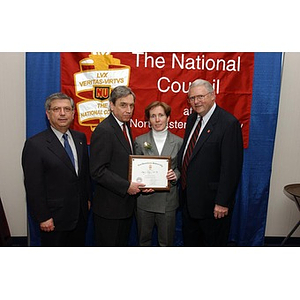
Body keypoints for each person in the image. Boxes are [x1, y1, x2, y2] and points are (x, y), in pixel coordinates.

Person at [178, 79, 243, 246]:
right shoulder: (192, 120)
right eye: (192, 98)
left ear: (213, 96)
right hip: (189, 202)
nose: (196, 101)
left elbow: (231, 168)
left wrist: (222, 202)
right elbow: (189, 156)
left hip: (212, 206)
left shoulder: (229, 124)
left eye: (200, 96)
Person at [22, 92, 90, 246]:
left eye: (67, 109)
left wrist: (87, 199)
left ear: (73, 113)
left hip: (80, 216)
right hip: (53, 219)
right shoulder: (35, 145)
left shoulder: (80, 138)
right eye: (56, 109)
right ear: (48, 114)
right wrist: (43, 217)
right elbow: (34, 186)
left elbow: (83, 174)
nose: (62, 113)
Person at [90, 85, 143, 246]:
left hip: (124, 207)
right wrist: (127, 186)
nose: (128, 110)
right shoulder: (104, 130)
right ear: (111, 105)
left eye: (131, 105)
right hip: (109, 210)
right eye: (123, 105)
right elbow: (97, 171)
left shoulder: (125, 127)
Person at [134, 101, 183, 246]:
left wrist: (176, 175)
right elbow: (135, 169)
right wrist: (140, 185)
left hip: (168, 201)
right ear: (148, 120)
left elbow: (181, 168)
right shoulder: (140, 141)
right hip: (144, 200)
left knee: (166, 243)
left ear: (168, 118)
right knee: (143, 242)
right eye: (153, 116)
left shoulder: (179, 142)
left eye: (161, 115)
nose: (157, 120)